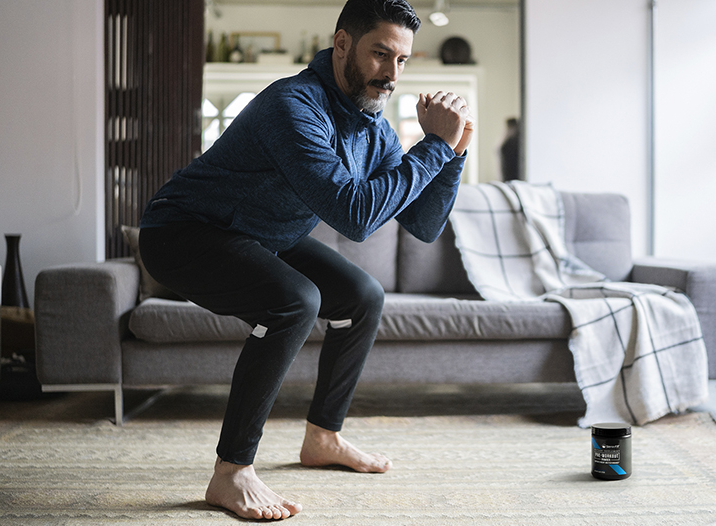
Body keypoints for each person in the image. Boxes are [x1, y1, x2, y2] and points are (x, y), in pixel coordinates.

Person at [137, 0, 473, 520]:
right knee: (294, 301)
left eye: (402, 60)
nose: (391, 74)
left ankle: (323, 438)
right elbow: (355, 217)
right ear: (342, 44)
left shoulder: (370, 122)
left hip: (264, 233)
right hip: (184, 231)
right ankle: (232, 472)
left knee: (363, 296)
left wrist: (451, 154)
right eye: (380, 53)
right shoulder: (293, 106)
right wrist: (432, 146)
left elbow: (422, 226)